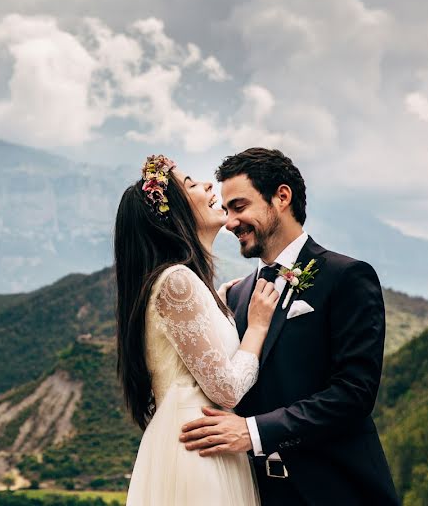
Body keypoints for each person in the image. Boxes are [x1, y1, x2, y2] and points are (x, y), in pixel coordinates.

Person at [179, 148, 399, 505]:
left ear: (282, 197)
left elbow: (353, 393)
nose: (230, 222)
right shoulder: (236, 295)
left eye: (239, 207)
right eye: (227, 209)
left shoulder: (346, 277)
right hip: (260, 494)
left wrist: (253, 432)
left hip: (336, 490)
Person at [115, 154, 280, 505]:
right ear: (172, 213)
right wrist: (258, 326)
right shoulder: (177, 281)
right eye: (192, 184)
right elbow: (228, 390)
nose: (208, 186)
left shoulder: (189, 284)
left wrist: (221, 305)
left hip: (206, 441)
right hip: (199, 448)